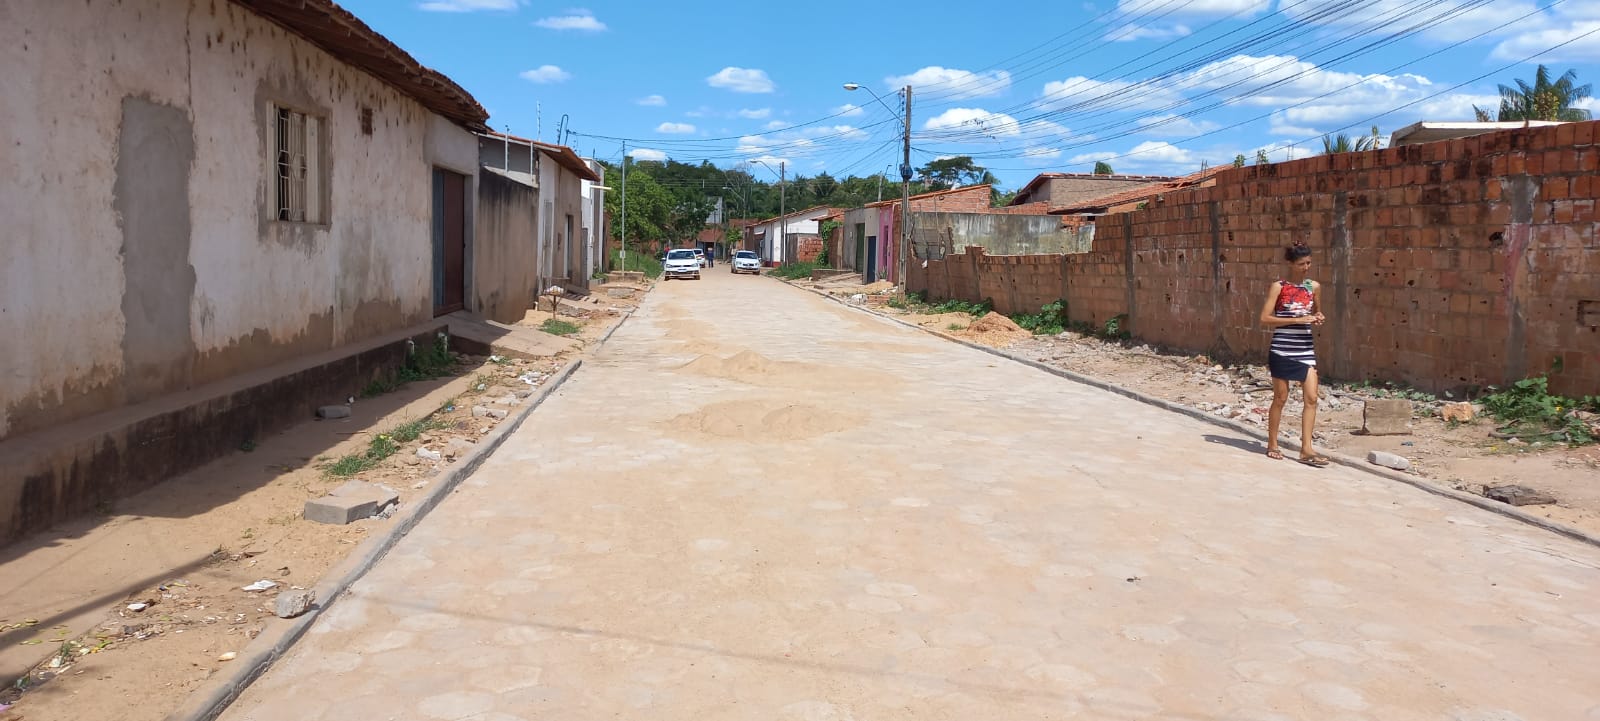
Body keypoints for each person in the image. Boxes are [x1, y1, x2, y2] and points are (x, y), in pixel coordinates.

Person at [1258, 241, 1329, 467]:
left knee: (1312, 398)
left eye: (1308, 263)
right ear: (1290, 263)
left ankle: (1306, 449)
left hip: (1305, 349)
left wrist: (1318, 318)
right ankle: (1272, 443)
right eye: (1301, 264)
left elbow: (1317, 311)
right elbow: (1265, 318)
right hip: (1282, 349)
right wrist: (1297, 320)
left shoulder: (1313, 287)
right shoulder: (1278, 287)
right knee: (1280, 398)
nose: (1306, 267)